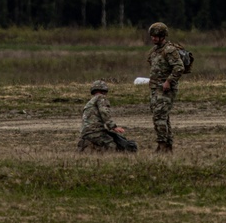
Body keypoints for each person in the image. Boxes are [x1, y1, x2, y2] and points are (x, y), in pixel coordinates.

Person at [146, 21, 184, 152]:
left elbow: (179, 68)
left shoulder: (169, 50)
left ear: (163, 36)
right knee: (162, 117)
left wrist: (168, 81)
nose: (153, 38)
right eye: (152, 36)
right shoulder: (155, 50)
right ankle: (166, 145)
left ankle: (162, 145)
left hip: (166, 89)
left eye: (156, 36)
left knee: (159, 117)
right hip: (155, 89)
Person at [77, 80, 137, 152]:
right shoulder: (101, 98)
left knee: (114, 137)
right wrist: (113, 127)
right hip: (95, 131)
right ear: (104, 90)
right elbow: (104, 112)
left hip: (86, 132)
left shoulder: (90, 102)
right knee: (113, 145)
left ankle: (87, 145)